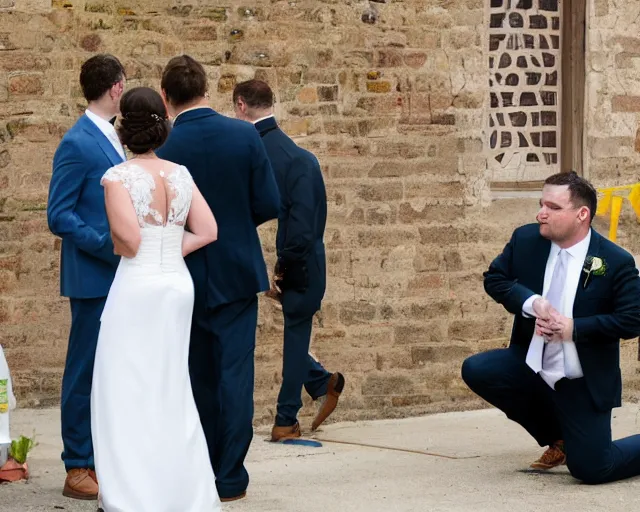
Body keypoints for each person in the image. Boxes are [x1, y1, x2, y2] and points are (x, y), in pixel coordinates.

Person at [461, 171, 640, 484]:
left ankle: (581, 443)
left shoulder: (614, 261)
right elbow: (495, 279)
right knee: (478, 369)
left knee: (592, 469)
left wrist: (572, 328)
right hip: (532, 365)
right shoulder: (527, 240)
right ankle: (558, 438)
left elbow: (633, 319)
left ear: (581, 214)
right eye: (542, 204)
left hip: (580, 379)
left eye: (553, 208)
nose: (541, 213)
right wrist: (531, 303)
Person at [155, 56, 280, 502]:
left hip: (183, 271)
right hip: (237, 270)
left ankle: (201, 468)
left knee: (196, 376)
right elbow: (268, 202)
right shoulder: (244, 134)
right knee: (235, 374)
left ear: (166, 98)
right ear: (206, 88)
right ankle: (230, 476)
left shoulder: (164, 148)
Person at [90, 86, 220, 511]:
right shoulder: (180, 173)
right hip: (177, 286)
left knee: (124, 390)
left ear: (124, 130)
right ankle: (184, 494)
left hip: (139, 289)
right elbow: (208, 231)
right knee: (170, 387)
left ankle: (134, 495)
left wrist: (132, 246)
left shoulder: (118, 177)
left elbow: (127, 242)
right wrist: (167, 249)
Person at [233, 80, 345, 442]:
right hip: (302, 260)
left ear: (240, 106)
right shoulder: (296, 158)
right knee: (297, 336)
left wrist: (283, 267)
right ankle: (313, 390)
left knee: (296, 336)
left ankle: (290, 413)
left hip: (296, 261)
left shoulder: (253, 152)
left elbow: (299, 229)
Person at [47, 54, 126, 500]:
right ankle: (76, 463)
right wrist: (106, 243)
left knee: (110, 371)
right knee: (83, 371)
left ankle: (101, 457)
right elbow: (58, 215)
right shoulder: (76, 142)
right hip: (93, 276)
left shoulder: (112, 137)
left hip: (118, 276)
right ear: (116, 88)